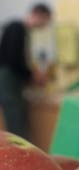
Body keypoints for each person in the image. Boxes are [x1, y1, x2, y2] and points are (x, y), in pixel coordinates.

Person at [0, 3, 51, 138]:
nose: (44, 25)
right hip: (8, 78)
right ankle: (18, 155)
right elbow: (13, 60)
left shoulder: (23, 31)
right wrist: (32, 75)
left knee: (19, 117)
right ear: (38, 15)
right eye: (45, 20)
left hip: (11, 79)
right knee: (15, 120)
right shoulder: (17, 27)